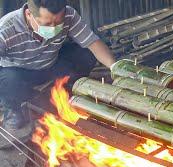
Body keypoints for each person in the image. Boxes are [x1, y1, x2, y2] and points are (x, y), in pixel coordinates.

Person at [0, 0, 115, 148]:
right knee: (7, 79)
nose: (54, 28)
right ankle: (14, 113)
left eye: (58, 23)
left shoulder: (68, 15)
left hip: (51, 66)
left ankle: (61, 96)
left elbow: (92, 42)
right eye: (47, 24)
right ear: (29, 14)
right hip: (19, 74)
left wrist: (115, 67)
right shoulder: (6, 29)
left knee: (85, 54)